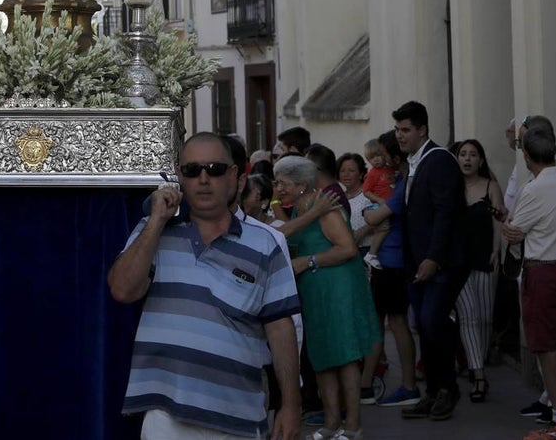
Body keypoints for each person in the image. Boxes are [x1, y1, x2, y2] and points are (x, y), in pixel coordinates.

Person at [109, 132, 302, 439]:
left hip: (238, 416)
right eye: (191, 170)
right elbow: (122, 290)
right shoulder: (153, 231)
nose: (203, 178)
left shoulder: (266, 244)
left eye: (214, 169)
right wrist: (157, 220)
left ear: (235, 177)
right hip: (166, 416)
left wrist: (291, 405)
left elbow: (281, 329)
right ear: (179, 178)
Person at [272, 156, 379, 440]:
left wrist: (308, 261)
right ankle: (331, 424)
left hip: (337, 288)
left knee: (343, 355)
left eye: (283, 183)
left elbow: (347, 249)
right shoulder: (302, 207)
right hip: (316, 290)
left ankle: (353, 425)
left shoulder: (325, 208)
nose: (278, 188)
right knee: (321, 355)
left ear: (301, 185)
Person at [503, 127, 556, 439]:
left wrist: (510, 227)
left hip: (544, 271)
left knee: (547, 348)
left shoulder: (536, 189)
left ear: (526, 156)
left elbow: (515, 231)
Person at [392, 100, 469, 422]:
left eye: (406, 130)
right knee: (424, 323)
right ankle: (432, 392)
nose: (400, 135)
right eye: (397, 130)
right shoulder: (414, 162)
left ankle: (447, 390)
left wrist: (433, 258)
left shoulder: (438, 161)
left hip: (440, 262)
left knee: (433, 321)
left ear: (422, 130)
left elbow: (445, 212)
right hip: (417, 261)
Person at [359, 132, 421, 409]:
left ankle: (407, 385)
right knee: (382, 322)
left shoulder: (399, 188)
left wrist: (368, 215)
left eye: (384, 154)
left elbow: (373, 216)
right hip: (389, 260)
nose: (380, 159)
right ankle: (367, 382)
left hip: (392, 262)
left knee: (394, 323)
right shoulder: (398, 183)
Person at [451, 138, 505, 403]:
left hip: (485, 258)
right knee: (469, 316)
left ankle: (476, 362)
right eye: (463, 154)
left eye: (473, 154)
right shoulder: (450, 188)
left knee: (484, 318)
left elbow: (499, 221)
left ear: (481, 161)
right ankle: (479, 375)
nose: (467, 159)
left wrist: (497, 250)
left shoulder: (491, 186)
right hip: (457, 262)